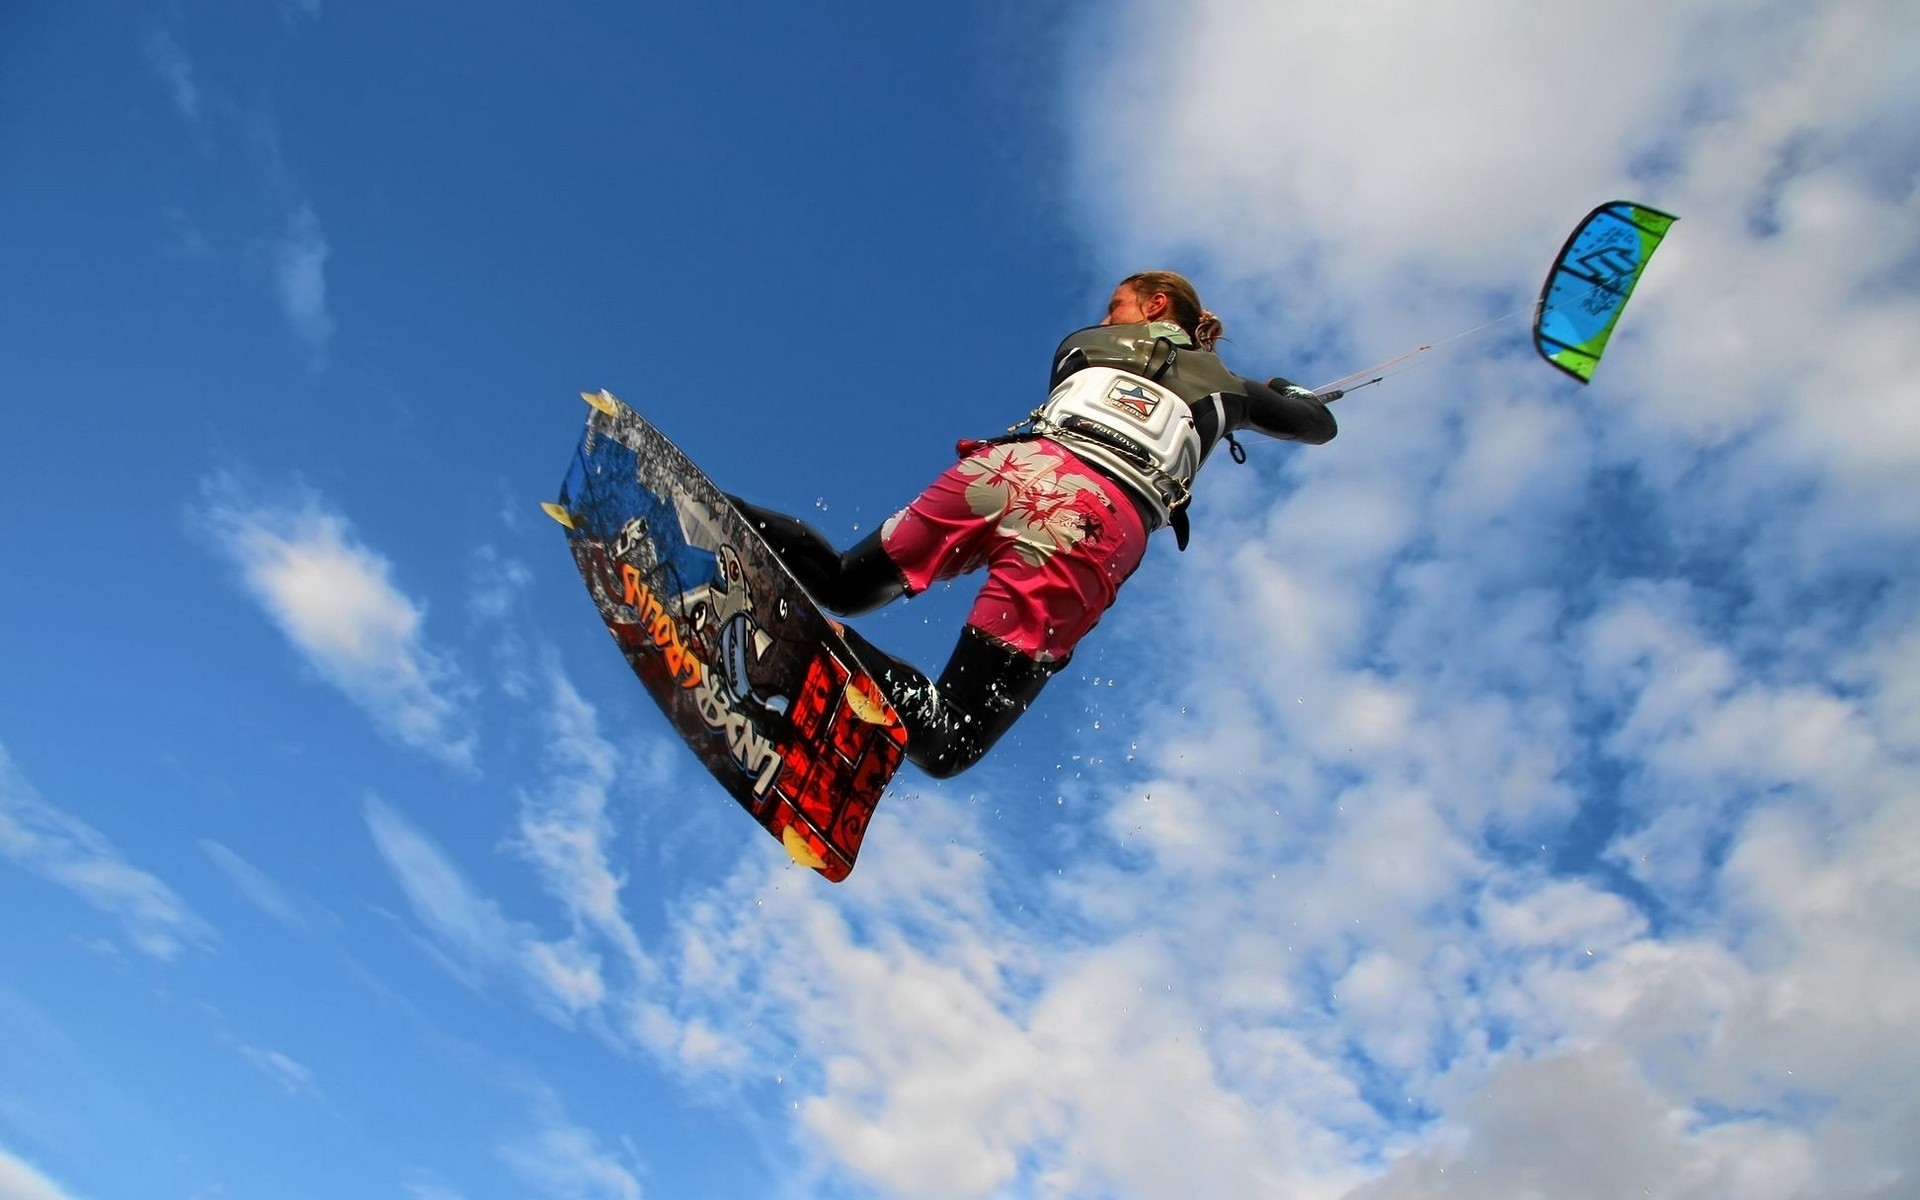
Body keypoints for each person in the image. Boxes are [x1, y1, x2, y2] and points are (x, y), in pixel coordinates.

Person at [730, 271, 1336, 778]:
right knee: (950, 741)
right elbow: (1313, 424)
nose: (1108, 313)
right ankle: (828, 648)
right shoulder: (1231, 388)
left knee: (841, 581)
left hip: (1010, 469)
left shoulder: (1082, 345)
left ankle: (721, 510)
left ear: (1155, 304)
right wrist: (1289, 392)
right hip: (1093, 521)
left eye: (1118, 303)